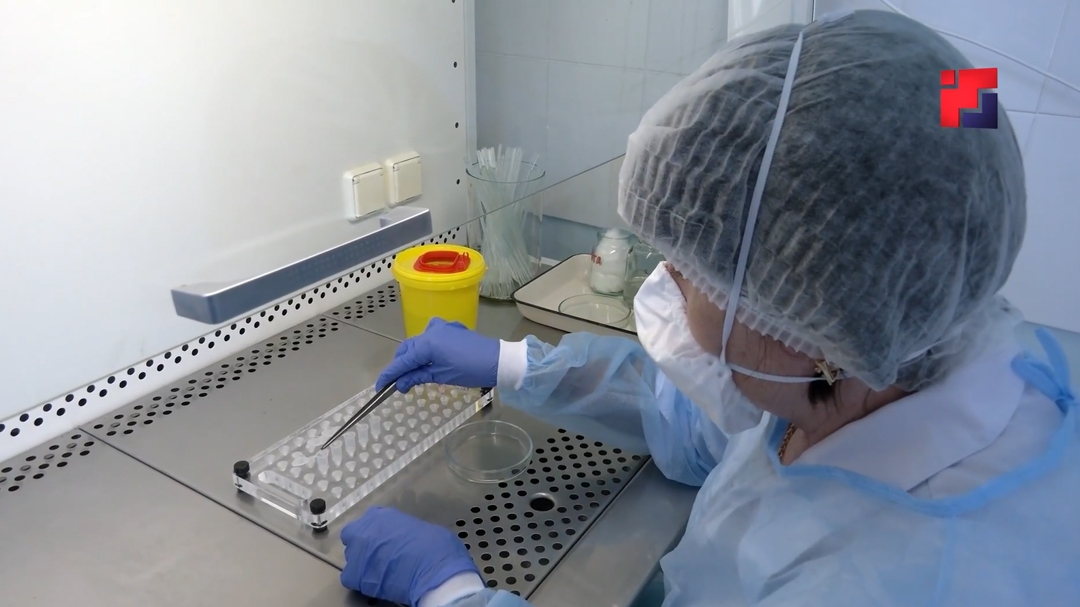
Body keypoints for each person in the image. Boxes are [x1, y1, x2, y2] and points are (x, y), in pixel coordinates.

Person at [337, 10, 1080, 607]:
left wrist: (452, 594)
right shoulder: (900, 358)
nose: (667, 275)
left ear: (804, 321)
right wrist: (512, 363)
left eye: (694, 267)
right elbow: (707, 423)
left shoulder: (906, 577)